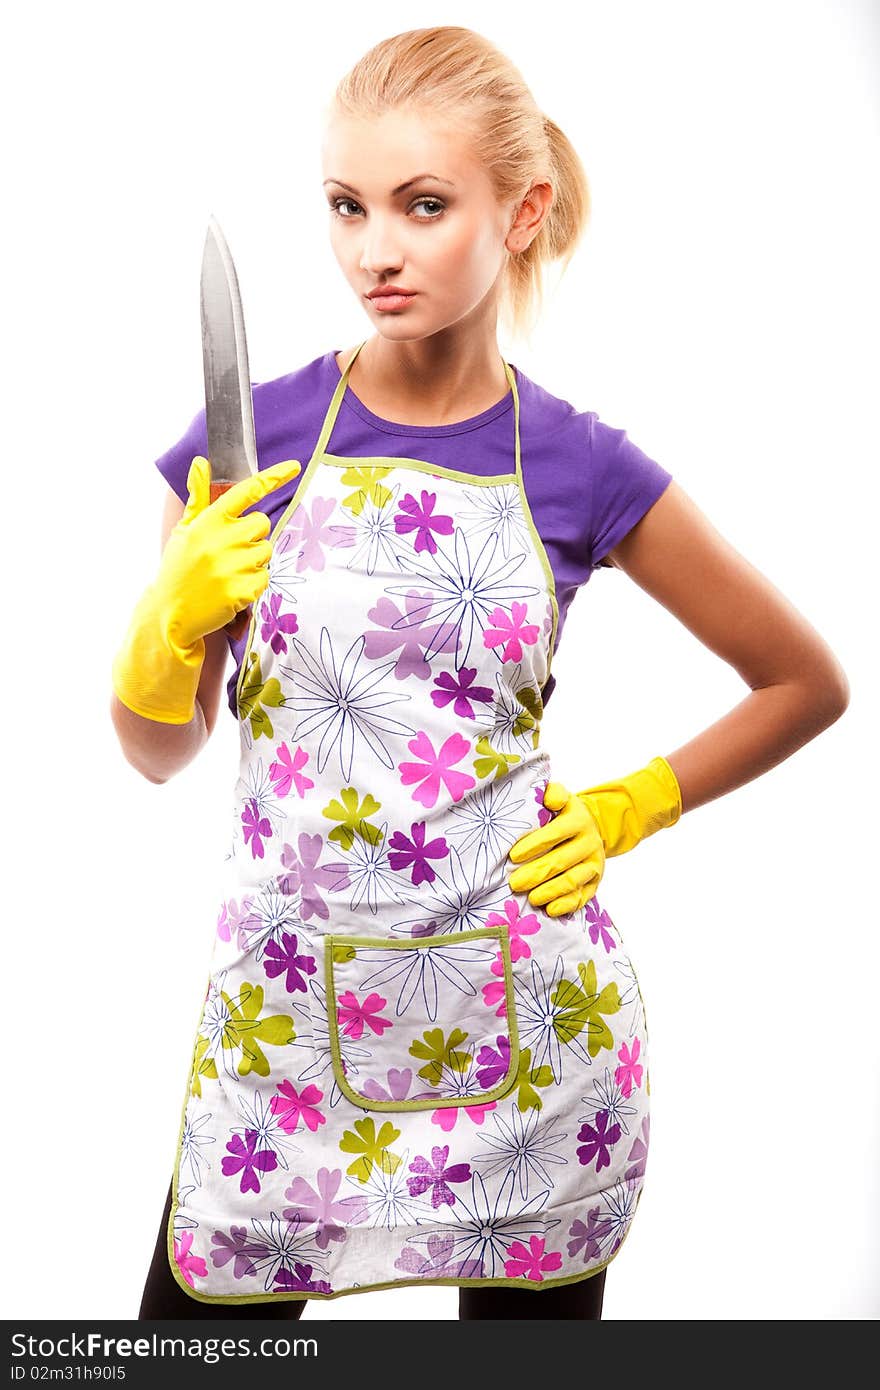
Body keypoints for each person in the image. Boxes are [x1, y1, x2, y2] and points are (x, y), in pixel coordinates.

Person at [110, 26, 849, 1321]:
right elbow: (158, 748)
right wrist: (162, 634)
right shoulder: (254, 437)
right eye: (345, 207)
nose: (371, 250)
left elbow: (805, 679)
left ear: (524, 212)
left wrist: (633, 805)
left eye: (422, 205)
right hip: (279, 1043)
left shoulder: (579, 465)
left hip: (529, 1054)